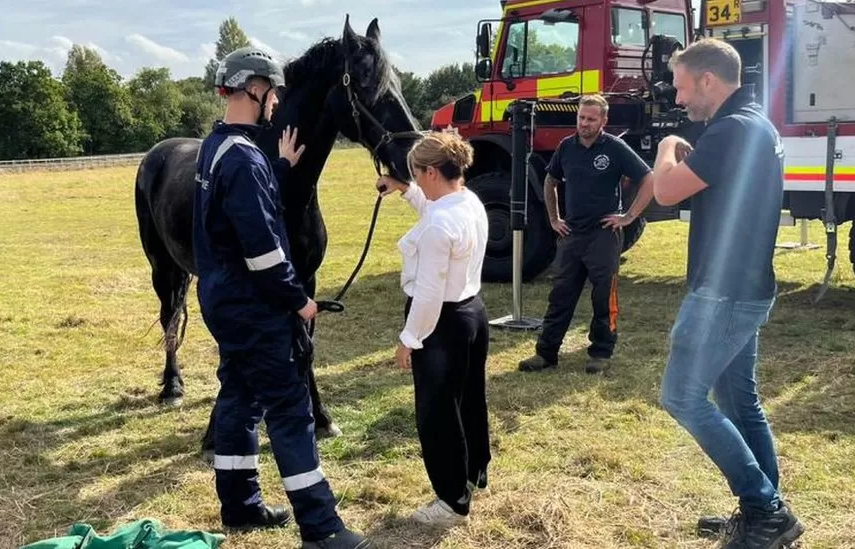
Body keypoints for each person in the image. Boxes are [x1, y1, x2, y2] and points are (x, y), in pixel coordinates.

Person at [192, 46, 374, 549]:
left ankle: (241, 506)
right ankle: (321, 528)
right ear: (255, 89)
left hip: (223, 300)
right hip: (256, 305)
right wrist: (300, 302)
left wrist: (281, 168)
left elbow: (239, 209)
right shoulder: (247, 161)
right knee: (291, 409)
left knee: (239, 397)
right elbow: (264, 251)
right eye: (272, 92)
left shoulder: (219, 147)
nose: (276, 102)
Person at [651, 38, 804, 549]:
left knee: (682, 396)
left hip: (723, 293)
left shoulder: (732, 129)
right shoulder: (754, 123)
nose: (678, 99)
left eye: (680, 86)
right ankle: (766, 509)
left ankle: (766, 508)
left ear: (707, 80)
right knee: (739, 401)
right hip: (744, 287)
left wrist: (667, 145)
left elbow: (666, 191)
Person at [375, 131, 491, 527]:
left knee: (437, 412)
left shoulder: (441, 224)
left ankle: (451, 501)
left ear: (430, 171)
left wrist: (409, 339)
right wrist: (404, 189)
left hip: (441, 322)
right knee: (469, 397)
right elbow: (432, 206)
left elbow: (427, 293)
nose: (417, 180)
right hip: (472, 313)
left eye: (416, 174)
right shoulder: (467, 201)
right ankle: (475, 472)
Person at [518, 94, 655, 374]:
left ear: (604, 121)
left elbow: (649, 178)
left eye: (591, 119)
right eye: (581, 118)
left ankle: (601, 353)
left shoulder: (615, 148)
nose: (585, 124)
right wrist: (554, 218)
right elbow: (550, 180)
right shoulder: (566, 147)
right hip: (572, 235)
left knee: (603, 296)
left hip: (603, 235)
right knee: (560, 295)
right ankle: (546, 354)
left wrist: (629, 216)